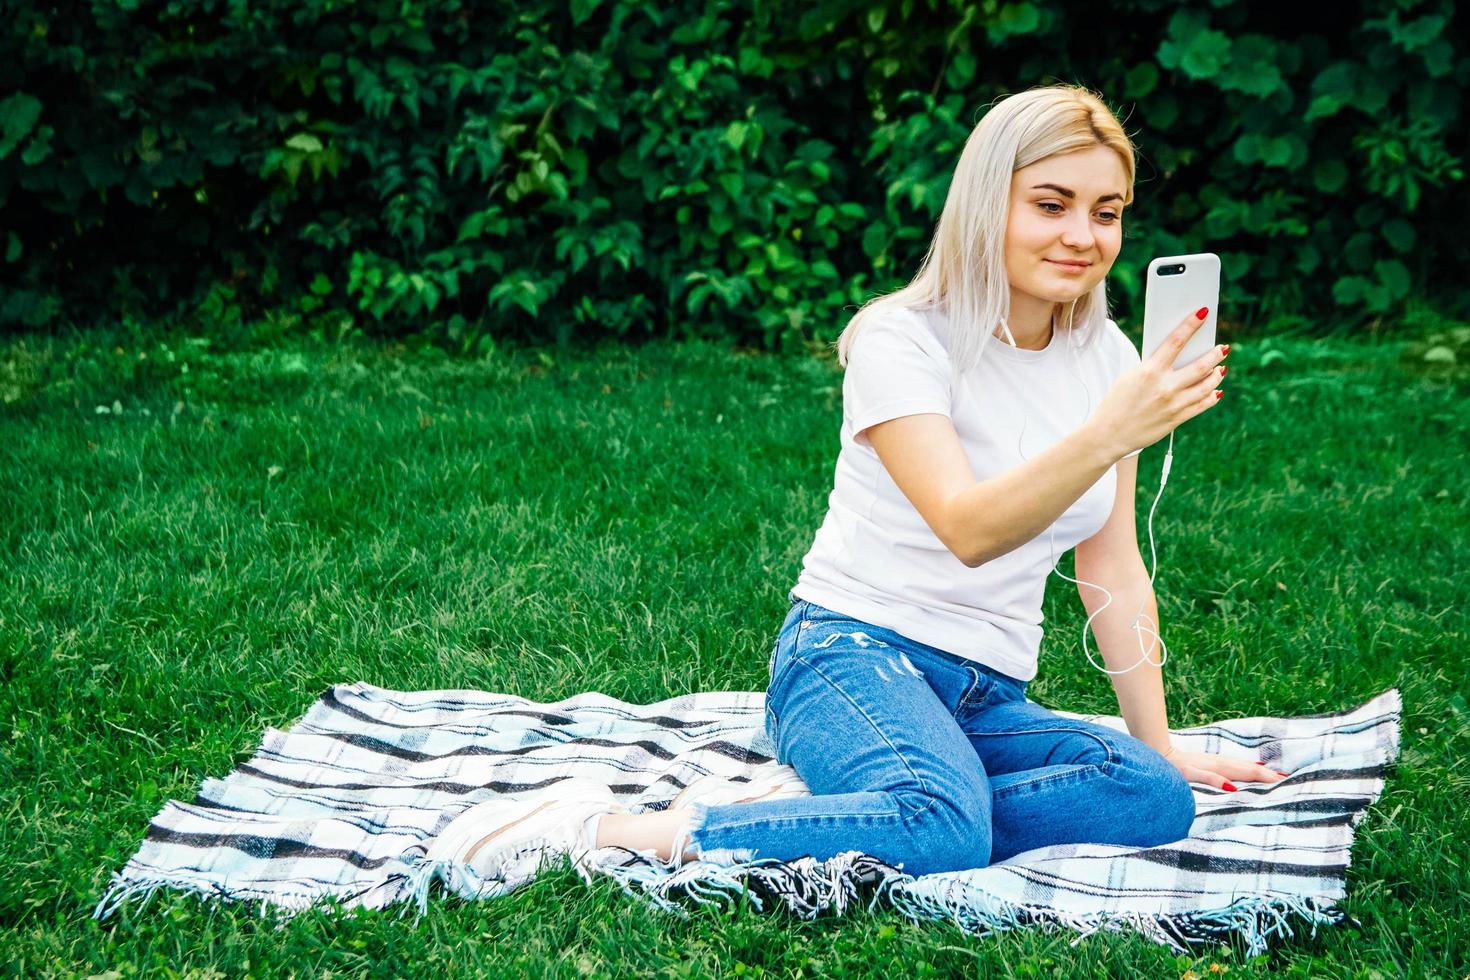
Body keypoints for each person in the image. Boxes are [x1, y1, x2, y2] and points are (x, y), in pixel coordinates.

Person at [424, 83, 1290, 889]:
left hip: (986, 691)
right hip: (849, 655)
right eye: (1051, 205)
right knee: (944, 830)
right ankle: (617, 830)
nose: (1082, 237)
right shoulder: (901, 338)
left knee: (1149, 796)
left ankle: (860, 815)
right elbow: (966, 526)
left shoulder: (1109, 361)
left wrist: (1160, 740)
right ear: (987, 203)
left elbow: (1110, 563)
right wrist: (1112, 429)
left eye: (1107, 214)